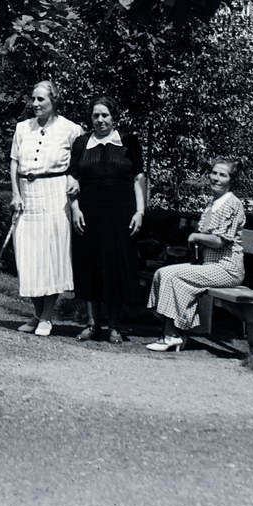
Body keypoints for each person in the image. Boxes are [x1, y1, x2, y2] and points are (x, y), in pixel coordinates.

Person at [66, 95, 147, 342]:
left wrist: (140, 212)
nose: (100, 120)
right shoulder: (81, 143)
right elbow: (72, 178)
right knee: (91, 266)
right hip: (89, 212)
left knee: (115, 267)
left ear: (114, 117)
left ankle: (114, 326)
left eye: (105, 115)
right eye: (95, 115)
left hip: (121, 212)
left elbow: (139, 180)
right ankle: (92, 325)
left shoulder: (129, 142)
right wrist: (75, 208)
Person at [145, 157, 248, 351]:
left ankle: (172, 334)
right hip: (209, 266)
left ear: (231, 180)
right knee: (163, 273)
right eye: (214, 173)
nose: (216, 178)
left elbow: (220, 241)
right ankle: (173, 334)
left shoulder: (232, 204)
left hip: (227, 268)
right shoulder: (213, 203)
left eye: (222, 175)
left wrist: (196, 236)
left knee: (174, 276)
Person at [9, 80, 83, 336]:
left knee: (51, 257)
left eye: (41, 99)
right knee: (28, 257)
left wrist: (74, 179)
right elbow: (14, 163)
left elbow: (81, 161)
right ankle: (36, 314)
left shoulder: (70, 130)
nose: (35, 104)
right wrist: (16, 194)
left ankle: (47, 317)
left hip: (55, 193)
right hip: (28, 194)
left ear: (54, 101)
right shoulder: (22, 128)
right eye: (33, 99)